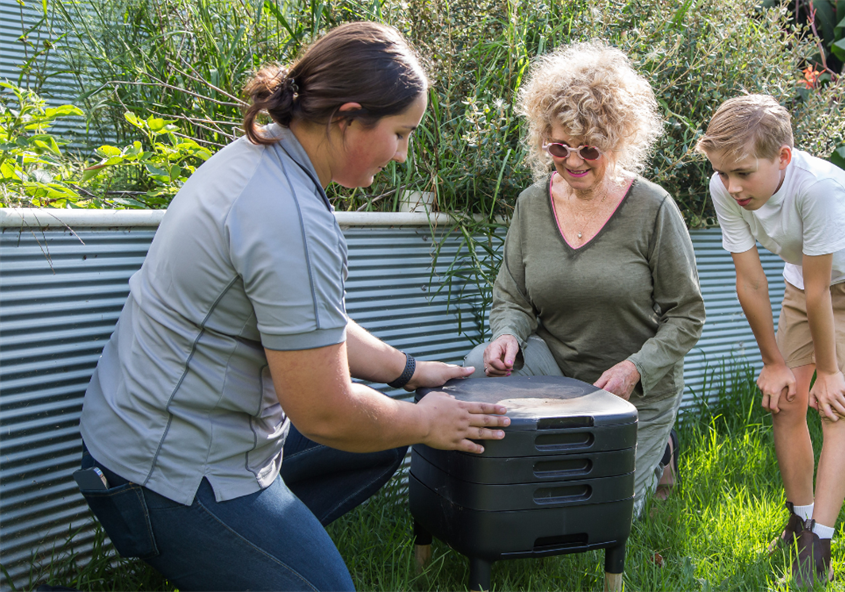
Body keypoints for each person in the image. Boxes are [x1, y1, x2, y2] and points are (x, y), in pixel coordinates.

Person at [75, 22, 509, 592]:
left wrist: (408, 373)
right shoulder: (290, 216)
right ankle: (231, 552)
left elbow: (310, 324)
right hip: (160, 476)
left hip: (127, 438)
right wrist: (428, 420)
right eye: (401, 134)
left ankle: (247, 556)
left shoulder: (262, 156)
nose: (403, 156)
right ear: (348, 117)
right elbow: (325, 413)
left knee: (380, 437)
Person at [465, 41, 705, 518]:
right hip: (554, 366)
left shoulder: (653, 208)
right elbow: (512, 295)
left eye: (589, 150)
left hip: (635, 386)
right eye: (558, 147)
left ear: (616, 142)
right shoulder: (531, 205)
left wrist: (636, 369)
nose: (572, 161)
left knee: (597, 514)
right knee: (476, 370)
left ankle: (660, 453)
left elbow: (687, 313)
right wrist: (508, 335)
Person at [697, 95, 845, 586]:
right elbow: (750, 281)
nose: (732, 186)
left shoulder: (818, 190)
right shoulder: (724, 185)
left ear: (783, 158)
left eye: (744, 173)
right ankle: (800, 520)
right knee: (787, 401)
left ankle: (821, 544)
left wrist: (830, 372)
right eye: (723, 173)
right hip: (805, 276)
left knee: (837, 407)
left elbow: (822, 292)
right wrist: (773, 362)